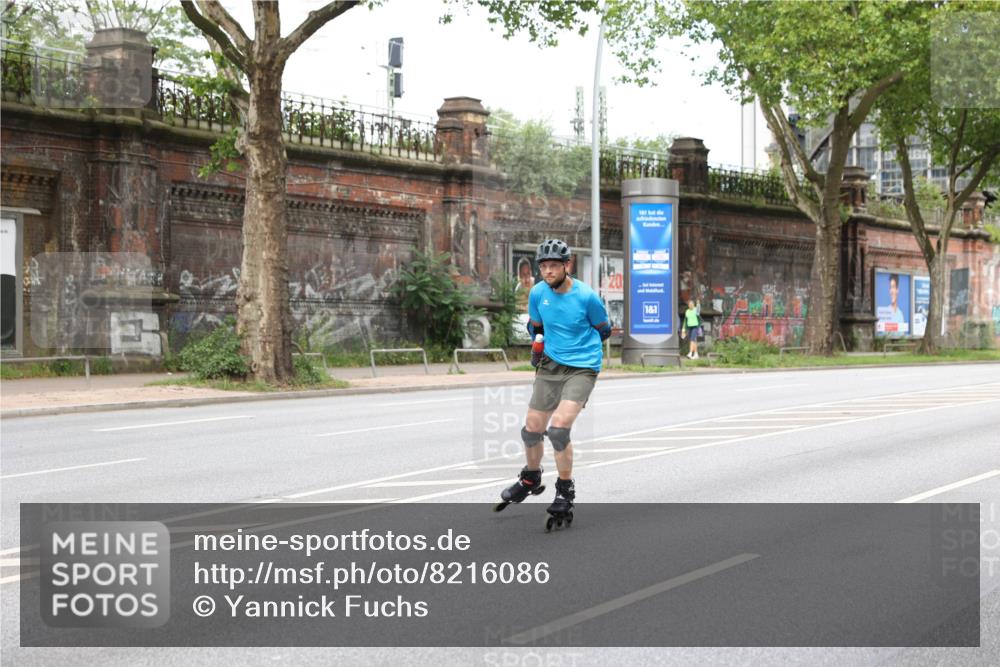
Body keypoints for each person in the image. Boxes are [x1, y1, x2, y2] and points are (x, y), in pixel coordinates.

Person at [494, 238, 611, 523]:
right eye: (543, 266)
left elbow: (604, 329)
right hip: (550, 365)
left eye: (553, 266)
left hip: (582, 367)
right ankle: (531, 478)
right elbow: (538, 327)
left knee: (558, 430)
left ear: (566, 266)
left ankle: (564, 489)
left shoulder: (586, 297)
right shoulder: (537, 293)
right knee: (531, 430)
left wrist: (580, 348)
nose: (548, 271)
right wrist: (538, 348)